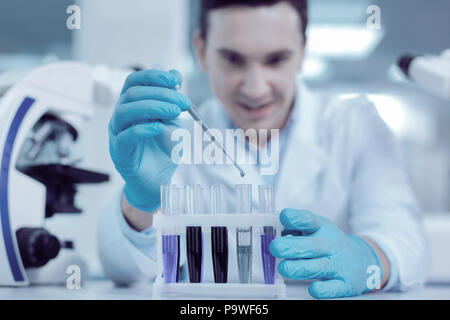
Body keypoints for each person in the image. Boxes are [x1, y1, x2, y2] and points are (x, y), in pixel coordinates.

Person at [98, 0, 428, 298]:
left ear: (302, 50)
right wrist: (141, 201)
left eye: (276, 60)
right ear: (201, 50)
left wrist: (368, 258)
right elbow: (124, 270)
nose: (255, 89)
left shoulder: (355, 127)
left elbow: (406, 245)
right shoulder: (174, 143)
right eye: (232, 60)